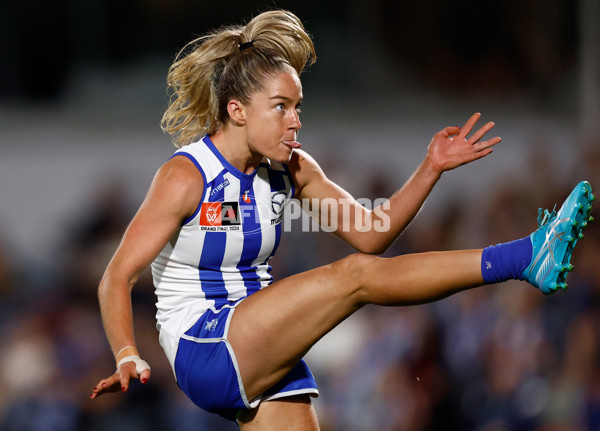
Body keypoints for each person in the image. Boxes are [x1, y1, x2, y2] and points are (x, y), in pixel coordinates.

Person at [90, 9, 594, 430]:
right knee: (352, 277)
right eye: (281, 107)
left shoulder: (292, 167)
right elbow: (116, 276)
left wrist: (431, 167)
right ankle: (527, 255)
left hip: (260, 341)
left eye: (299, 107)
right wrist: (126, 352)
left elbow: (371, 234)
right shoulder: (186, 174)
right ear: (237, 110)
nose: (295, 121)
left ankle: (529, 256)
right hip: (206, 345)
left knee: (359, 266)